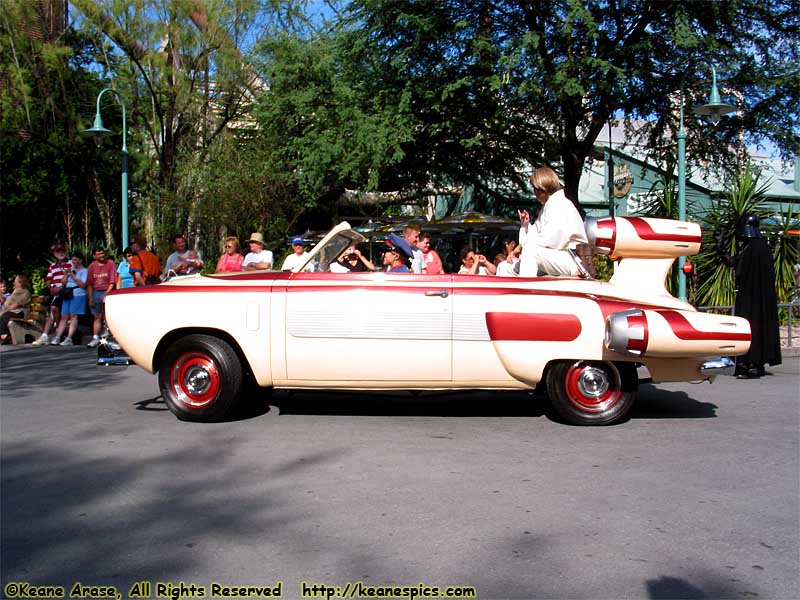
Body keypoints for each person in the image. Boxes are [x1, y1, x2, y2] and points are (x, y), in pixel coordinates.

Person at [716, 214, 782, 379]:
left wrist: (720, 245)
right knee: (755, 326)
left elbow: (734, 263)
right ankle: (752, 363)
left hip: (752, 295)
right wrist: (720, 246)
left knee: (751, 325)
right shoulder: (757, 246)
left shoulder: (754, 247)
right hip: (756, 295)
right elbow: (735, 262)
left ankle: (751, 364)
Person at [518, 166, 588, 277]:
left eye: (536, 189)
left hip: (572, 260)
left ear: (543, 188)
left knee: (530, 252)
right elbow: (537, 236)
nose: (535, 192)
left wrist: (523, 250)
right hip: (556, 256)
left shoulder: (559, 205)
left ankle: (525, 291)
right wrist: (526, 226)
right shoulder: (549, 205)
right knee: (507, 266)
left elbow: (552, 241)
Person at [32, 243, 71, 346]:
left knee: (55, 310)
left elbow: (74, 277)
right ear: (54, 253)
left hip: (68, 292)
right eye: (58, 251)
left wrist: (61, 287)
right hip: (56, 292)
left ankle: (54, 332)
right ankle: (47, 334)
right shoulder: (52, 266)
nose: (60, 253)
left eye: (62, 251)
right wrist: (52, 287)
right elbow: (48, 280)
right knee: (53, 310)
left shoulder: (71, 263)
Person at [51, 252, 88, 346]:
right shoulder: (69, 270)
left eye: (76, 260)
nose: (73, 262)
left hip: (78, 294)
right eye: (72, 260)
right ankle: (58, 336)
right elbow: (63, 283)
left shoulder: (84, 271)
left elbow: (83, 285)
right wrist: (65, 275)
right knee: (64, 315)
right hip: (67, 293)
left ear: (80, 260)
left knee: (73, 316)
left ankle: (69, 337)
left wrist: (73, 275)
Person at [86, 246, 117, 348]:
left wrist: (106, 293)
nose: (101, 255)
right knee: (97, 316)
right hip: (95, 292)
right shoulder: (91, 266)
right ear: (94, 256)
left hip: (107, 290)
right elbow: (89, 284)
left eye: (102, 253)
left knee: (107, 316)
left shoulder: (110, 263)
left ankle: (108, 338)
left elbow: (113, 281)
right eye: (99, 254)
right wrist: (90, 298)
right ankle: (95, 337)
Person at [0, 275, 32, 344]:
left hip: (20, 312)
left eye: (15, 281)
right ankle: (5, 335)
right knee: (4, 315)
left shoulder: (25, 292)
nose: (13, 283)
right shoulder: (16, 291)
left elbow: (16, 305)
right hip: (13, 311)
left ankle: (4, 335)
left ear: (20, 283)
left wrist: (3, 311)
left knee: (5, 316)